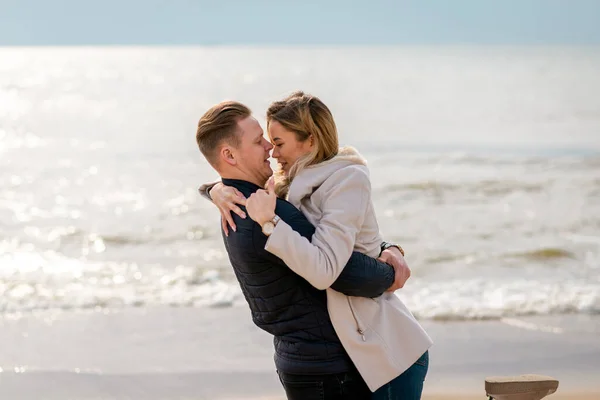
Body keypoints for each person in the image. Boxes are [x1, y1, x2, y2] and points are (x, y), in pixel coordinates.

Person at [206, 92, 433, 399]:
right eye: (266, 141)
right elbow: (237, 178)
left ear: (309, 141)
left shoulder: (345, 180)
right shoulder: (289, 184)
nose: (271, 151)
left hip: (388, 351)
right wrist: (216, 189)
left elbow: (327, 269)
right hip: (360, 349)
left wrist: (270, 224)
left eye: (278, 142)